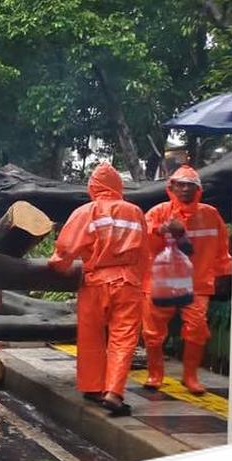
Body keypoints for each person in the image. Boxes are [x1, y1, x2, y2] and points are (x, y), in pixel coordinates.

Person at [48, 162, 149, 416]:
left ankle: (93, 387)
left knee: (91, 336)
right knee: (123, 339)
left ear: (93, 187)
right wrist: (140, 282)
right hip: (127, 283)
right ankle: (114, 392)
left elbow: (65, 250)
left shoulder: (86, 212)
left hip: (94, 283)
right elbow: (144, 253)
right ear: (118, 186)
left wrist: (59, 267)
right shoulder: (135, 212)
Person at [141, 165, 232, 395]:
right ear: (171, 187)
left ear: (198, 189)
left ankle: (190, 376)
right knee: (152, 331)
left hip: (196, 283)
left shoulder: (210, 215)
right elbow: (142, 243)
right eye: (179, 185)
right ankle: (155, 374)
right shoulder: (158, 212)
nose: (183, 189)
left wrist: (224, 272)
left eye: (189, 185)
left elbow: (222, 248)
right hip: (161, 282)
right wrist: (161, 230)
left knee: (197, 329)